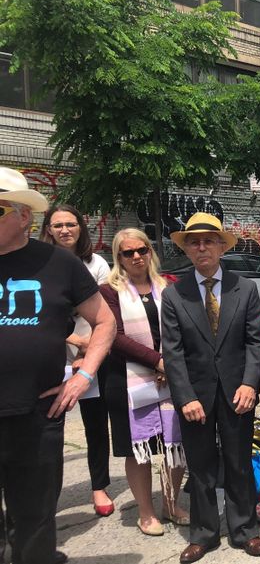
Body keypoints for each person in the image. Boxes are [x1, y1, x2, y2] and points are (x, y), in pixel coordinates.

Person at [0, 167, 115, 564]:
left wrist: (83, 375)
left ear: (23, 217)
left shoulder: (58, 264)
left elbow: (105, 321)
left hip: (37, 413)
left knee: (34, 521)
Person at [162, 212, 260, 564]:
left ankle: (245, 530)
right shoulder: (175, 295)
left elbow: (256, 342)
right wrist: (185, 396)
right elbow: (172, 351)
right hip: (196, 397)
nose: (202, 247)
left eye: (209, 240)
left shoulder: (245, 288)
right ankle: (203, 533)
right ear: (187, 249)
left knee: (238, 463)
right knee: (202, 467)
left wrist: (251, 384)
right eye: (194, 242)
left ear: (222, 246)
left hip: (238, 393)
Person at [99, 228, 189, 537]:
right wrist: (158, 361)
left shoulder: (169, 286)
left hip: (171, 377)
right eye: (128, 252)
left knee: (175, 442)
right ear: (118, 257)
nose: (137, 256)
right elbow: (115, 336)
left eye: (142, 250)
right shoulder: (108, 291)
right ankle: (146, 513)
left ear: (150, 251)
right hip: (126, 381)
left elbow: (182, 328)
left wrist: (170, 363)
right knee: (138, 451)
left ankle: (171, 503)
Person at [40, 204, 115, 517]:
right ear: (48, 229)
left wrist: (88, 349)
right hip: (53, 355)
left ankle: (99, 486)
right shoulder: (37, 262)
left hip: (91, 356)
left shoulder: (95, 263)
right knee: (49, 425)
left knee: (96, 425)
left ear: (81, 228)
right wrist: (71, 339)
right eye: (57, 225)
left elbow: (98, 311)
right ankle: (45, 493)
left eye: (71, 224)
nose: (65, 230)